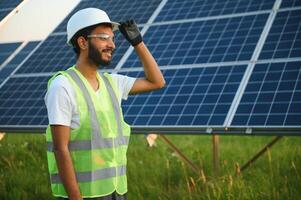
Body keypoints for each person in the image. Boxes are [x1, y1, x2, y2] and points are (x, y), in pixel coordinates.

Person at [44, 8, 165, 200]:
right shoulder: (63, 86)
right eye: (103, 38)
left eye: (112, 39)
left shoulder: (112, 82)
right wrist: (75, 197)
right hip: (84, 195)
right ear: (83, 42)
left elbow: (157, 81)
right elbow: (60, 148)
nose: (112, 45)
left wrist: (137, 42)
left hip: (116, 190)